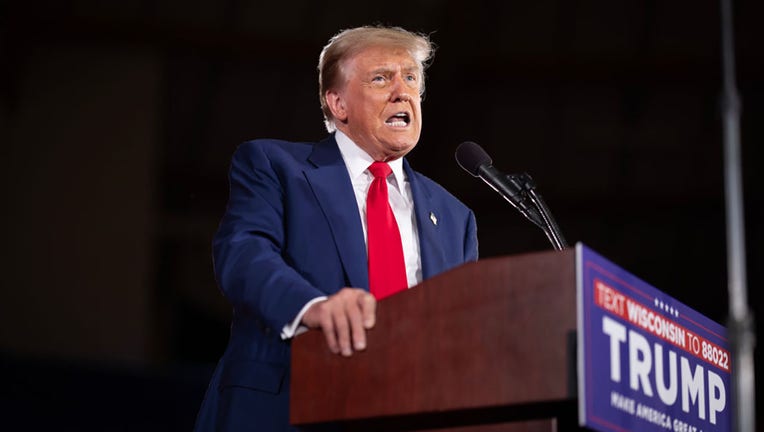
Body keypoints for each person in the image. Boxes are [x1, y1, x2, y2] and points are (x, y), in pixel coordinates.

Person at [193, 25, 479, 431]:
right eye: (381, 78)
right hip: (289, 408)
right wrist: (314, 307)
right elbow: (244, 255)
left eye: (411, 78)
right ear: (338, 103)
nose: (403, 91)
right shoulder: (276, 167)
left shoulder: (455, 217)